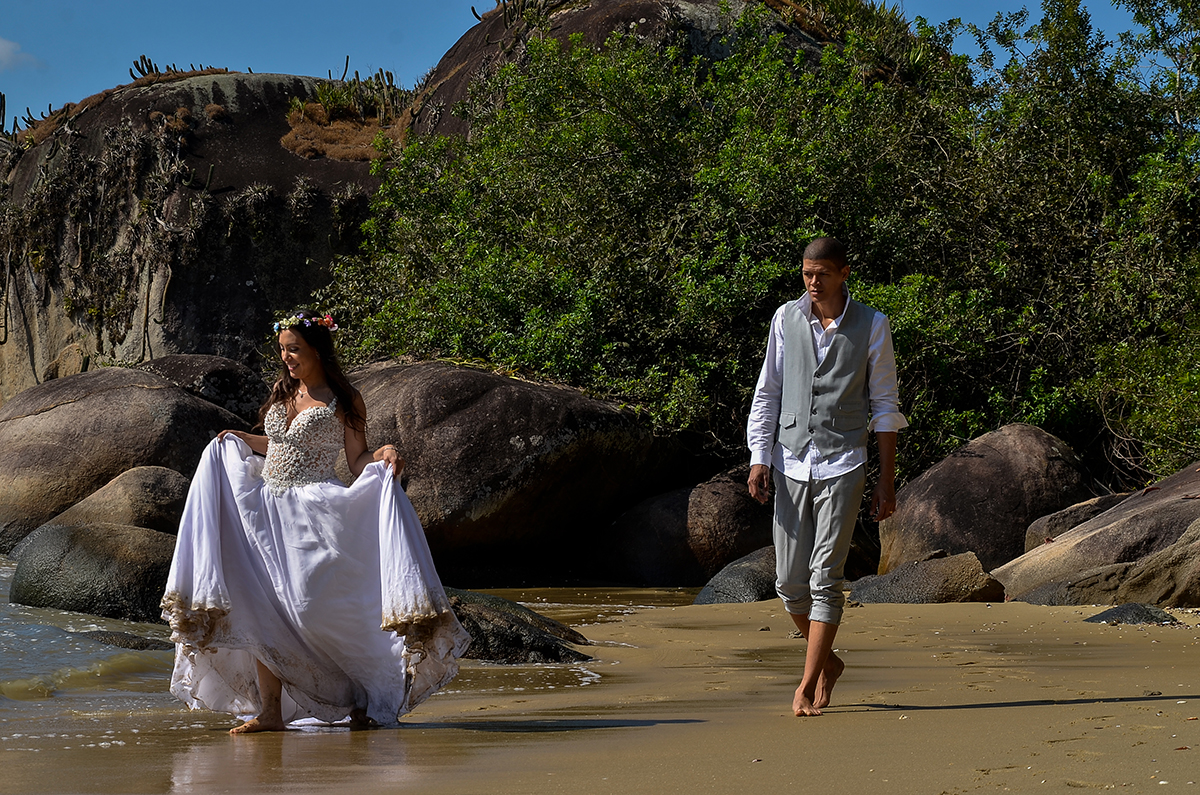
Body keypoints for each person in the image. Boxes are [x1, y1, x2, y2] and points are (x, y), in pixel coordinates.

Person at [161, 309, 470, 733]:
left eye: (294, 350)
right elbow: (277, 443)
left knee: (314, 610)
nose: (287, 358)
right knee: (258, 609)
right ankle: (270, 713)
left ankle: (365, 694)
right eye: (283, 350)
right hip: (264, 509)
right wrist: (238, 439)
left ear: (318, 350)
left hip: (314, 512)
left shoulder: (345, 399)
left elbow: (357, 459)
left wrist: (384, 453)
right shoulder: (282, 390)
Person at [746, 237, 907, 717]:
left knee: (824, 578)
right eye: (806, 274)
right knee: (788, 582)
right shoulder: (784, 318)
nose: (813, 283)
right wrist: (759, 456)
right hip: (790, 460)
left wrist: (886, 480)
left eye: (822, 274)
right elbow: (768, 392)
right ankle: (830, 662)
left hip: (843, 463)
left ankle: (807, 681)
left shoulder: (873, 325)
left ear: (844, 273)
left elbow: (884, 407)